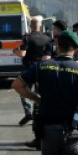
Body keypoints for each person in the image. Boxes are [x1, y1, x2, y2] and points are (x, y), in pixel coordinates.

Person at [12, 30, 78, 155]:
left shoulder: (40, 66)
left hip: (48, 129)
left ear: (57, 47)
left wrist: (36, 98)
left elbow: (17, 85)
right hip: (72, 128)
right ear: (75, 50)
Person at [14, 16, 53, 147]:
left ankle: (28, 111)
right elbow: (48, 57)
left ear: (31, 26)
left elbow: (23, 54)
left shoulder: (27, 37)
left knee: (22, 90)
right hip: (42, 69)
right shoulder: (48, 39)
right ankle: (37, 108)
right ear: (40, 26)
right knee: (40, 94)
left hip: (28, 70)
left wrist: (14, 51)